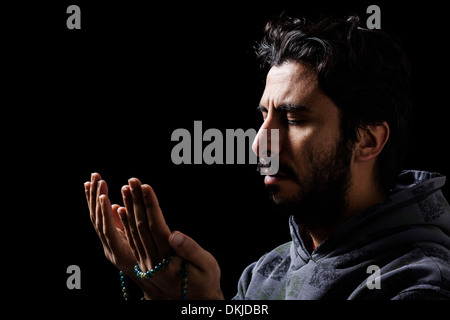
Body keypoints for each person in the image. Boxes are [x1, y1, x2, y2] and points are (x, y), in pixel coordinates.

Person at [84, 14, 450, 299]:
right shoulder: (265, 272)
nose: (260, 144)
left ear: (367, 140)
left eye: (293, 119)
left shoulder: (420, 282)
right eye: (264, 117)